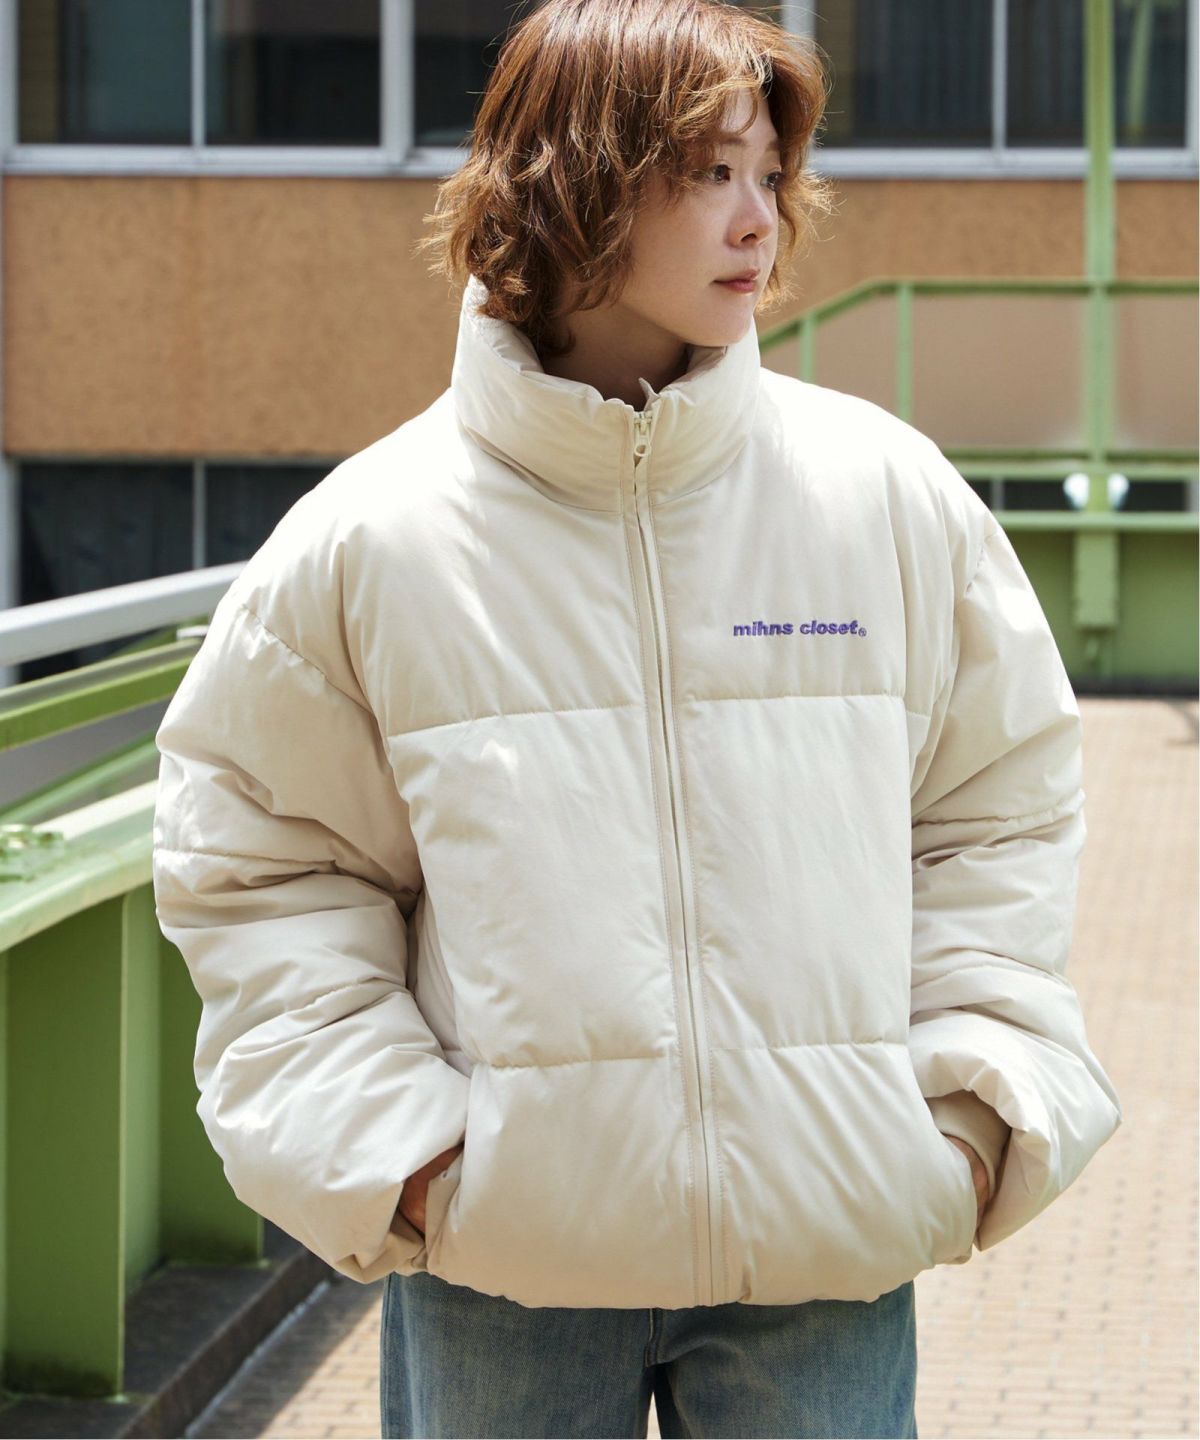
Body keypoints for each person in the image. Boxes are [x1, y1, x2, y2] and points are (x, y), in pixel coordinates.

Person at [150, 1, 1123, 1436]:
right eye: (710, 172)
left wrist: (958, 1119)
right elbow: (264, 865)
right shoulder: (374, 539)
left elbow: (999, 810)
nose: (761, 219)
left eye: (770, 174)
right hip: (506, 1263)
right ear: (576, 182)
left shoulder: (883, 497)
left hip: (823, 1242)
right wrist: (407, 1158)